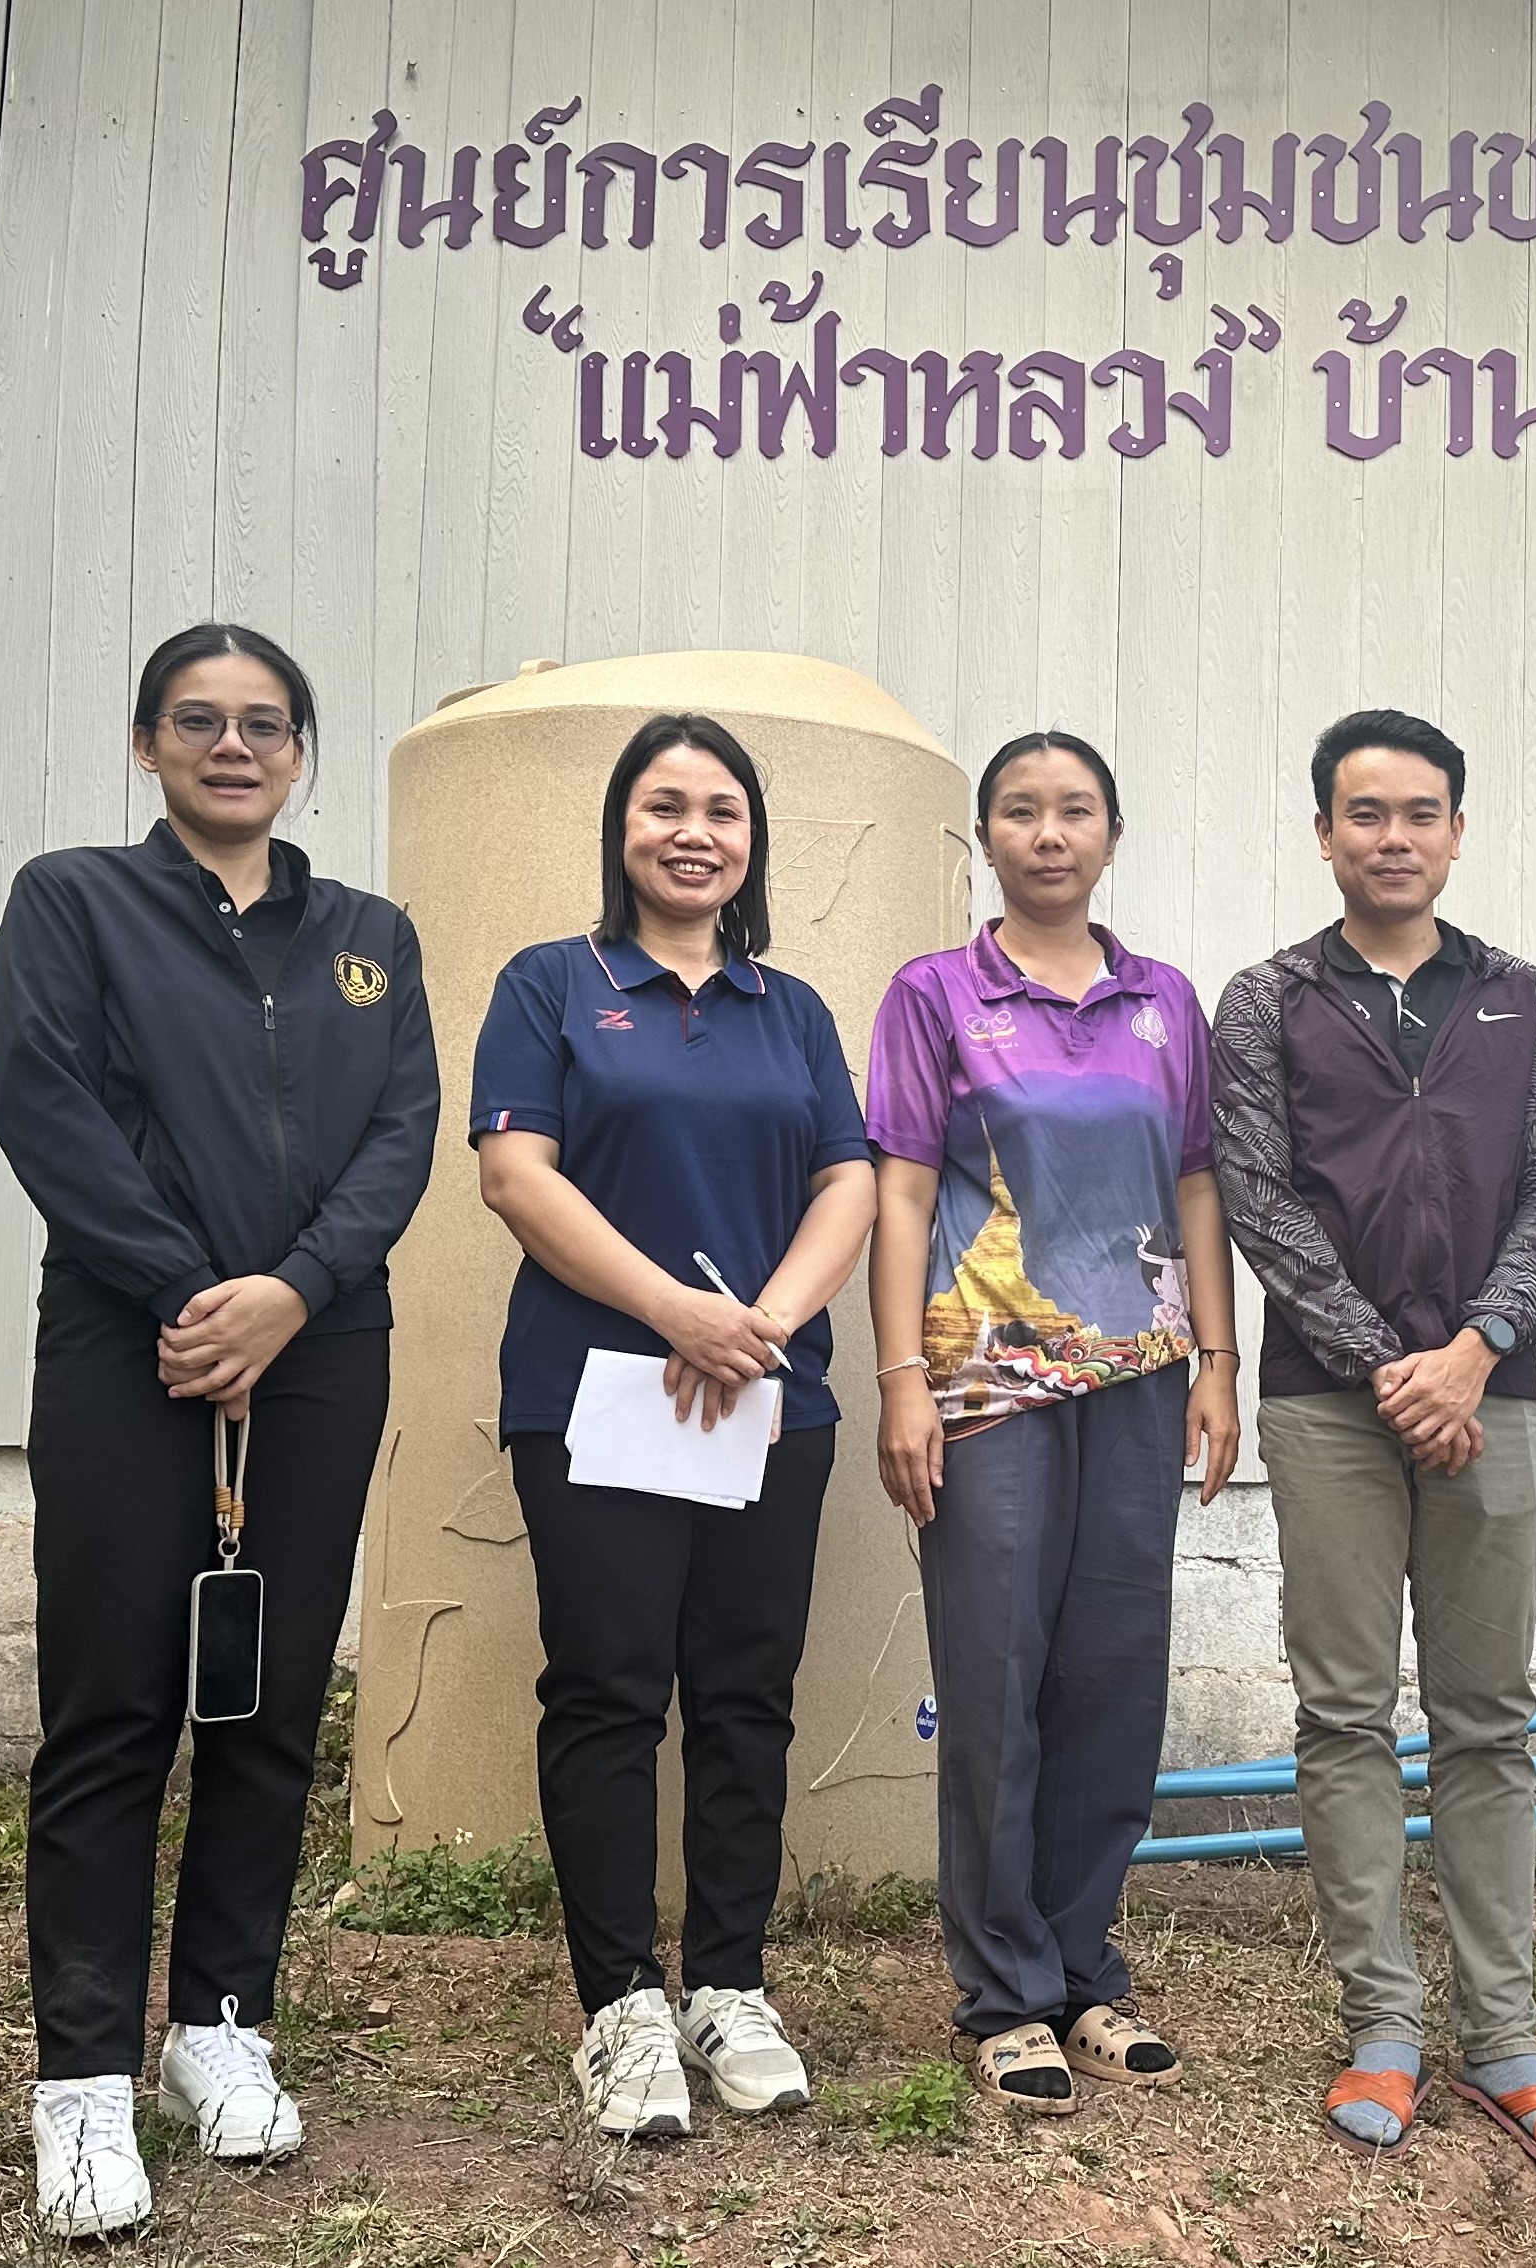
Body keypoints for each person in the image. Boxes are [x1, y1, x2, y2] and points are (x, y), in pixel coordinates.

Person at [0, 624, 438, 2240]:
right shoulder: (72, 902)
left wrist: (292, 1297)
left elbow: (403, 1137)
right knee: (112, 1707)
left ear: (301, 751)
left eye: (265, 724)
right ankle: (84, 2082)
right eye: (199, 720)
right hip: (132, 1343)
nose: (234, 747)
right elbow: (46, 1107)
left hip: (322, 1351)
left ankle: (221, 2028)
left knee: (268, 1699)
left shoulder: (370, 938)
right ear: (147, 743)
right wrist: (194, 1297)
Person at [466, 714, 878, 2141]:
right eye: (664, 806)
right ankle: (620, 2005)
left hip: (768, 1398)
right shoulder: (551, 984)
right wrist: (673, 1313)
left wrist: (760, 1323)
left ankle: (729, 1987)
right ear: (622, 828)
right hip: (597, 1395)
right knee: (608, 1690)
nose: (694, 833)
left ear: (752, 840)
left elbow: (848, 1181)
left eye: (722, 811)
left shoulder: (794, 1009)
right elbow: (517, 1177)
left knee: (746, 1694)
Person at [1208, 708, 1536, 2178]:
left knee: (1488, 1718)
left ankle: (1504, 2037)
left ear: (1457, 831)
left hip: (1493, 1391)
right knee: (1346, 1713)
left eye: (1419, 812)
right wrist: (1390, 1365)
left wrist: (1476, 1349)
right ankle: (1381, 2022)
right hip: (1332, 1403)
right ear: (1324, 833)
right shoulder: (1267, 1000)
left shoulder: (1520, 998)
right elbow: (1259, 1197)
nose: (1393, 837)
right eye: (1364, 813)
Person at [863, 731, 1241, 2115]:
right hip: (986, 1384)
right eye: (1020, 811)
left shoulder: (1165, 1002)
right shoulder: (937, 994)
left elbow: (1195, 1184)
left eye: (1075, 809)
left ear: (1111, 835)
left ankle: (1085, 1971)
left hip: (1139, 1376)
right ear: (988, 838)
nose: (1049, 833)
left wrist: (1219, 1360)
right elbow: (903, 1191)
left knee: (1112, 1679)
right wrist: (900, 1378)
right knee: (998, 1677)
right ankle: (1005, 1995)